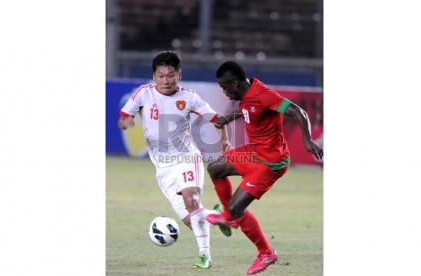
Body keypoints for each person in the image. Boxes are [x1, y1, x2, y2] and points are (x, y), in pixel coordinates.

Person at [206, 61, 324, 275]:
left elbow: (299, 112)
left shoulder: (263, 94)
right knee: (215, 169)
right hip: (254, 152)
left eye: (224, 87)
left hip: (271, 163)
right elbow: (251, 110)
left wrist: (307, 140)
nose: (223, 92)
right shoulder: (245, 94)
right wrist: (229, 118)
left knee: (236, 207)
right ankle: (229, 217)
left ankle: (266, 252)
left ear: (235, 83)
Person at [118, 50, 231, 269]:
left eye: (170, 75)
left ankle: (204, 255)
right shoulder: (143, 93)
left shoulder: (189, 97)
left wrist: (224, 141)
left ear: (179, 74)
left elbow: (217, 119)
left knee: (191, 199)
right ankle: (218, 214)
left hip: (187, 157)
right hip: (163, 169)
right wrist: (126, 122)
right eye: (161, 76)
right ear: (154, 76)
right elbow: (125, 116)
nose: (166, 80)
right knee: (191, 219)